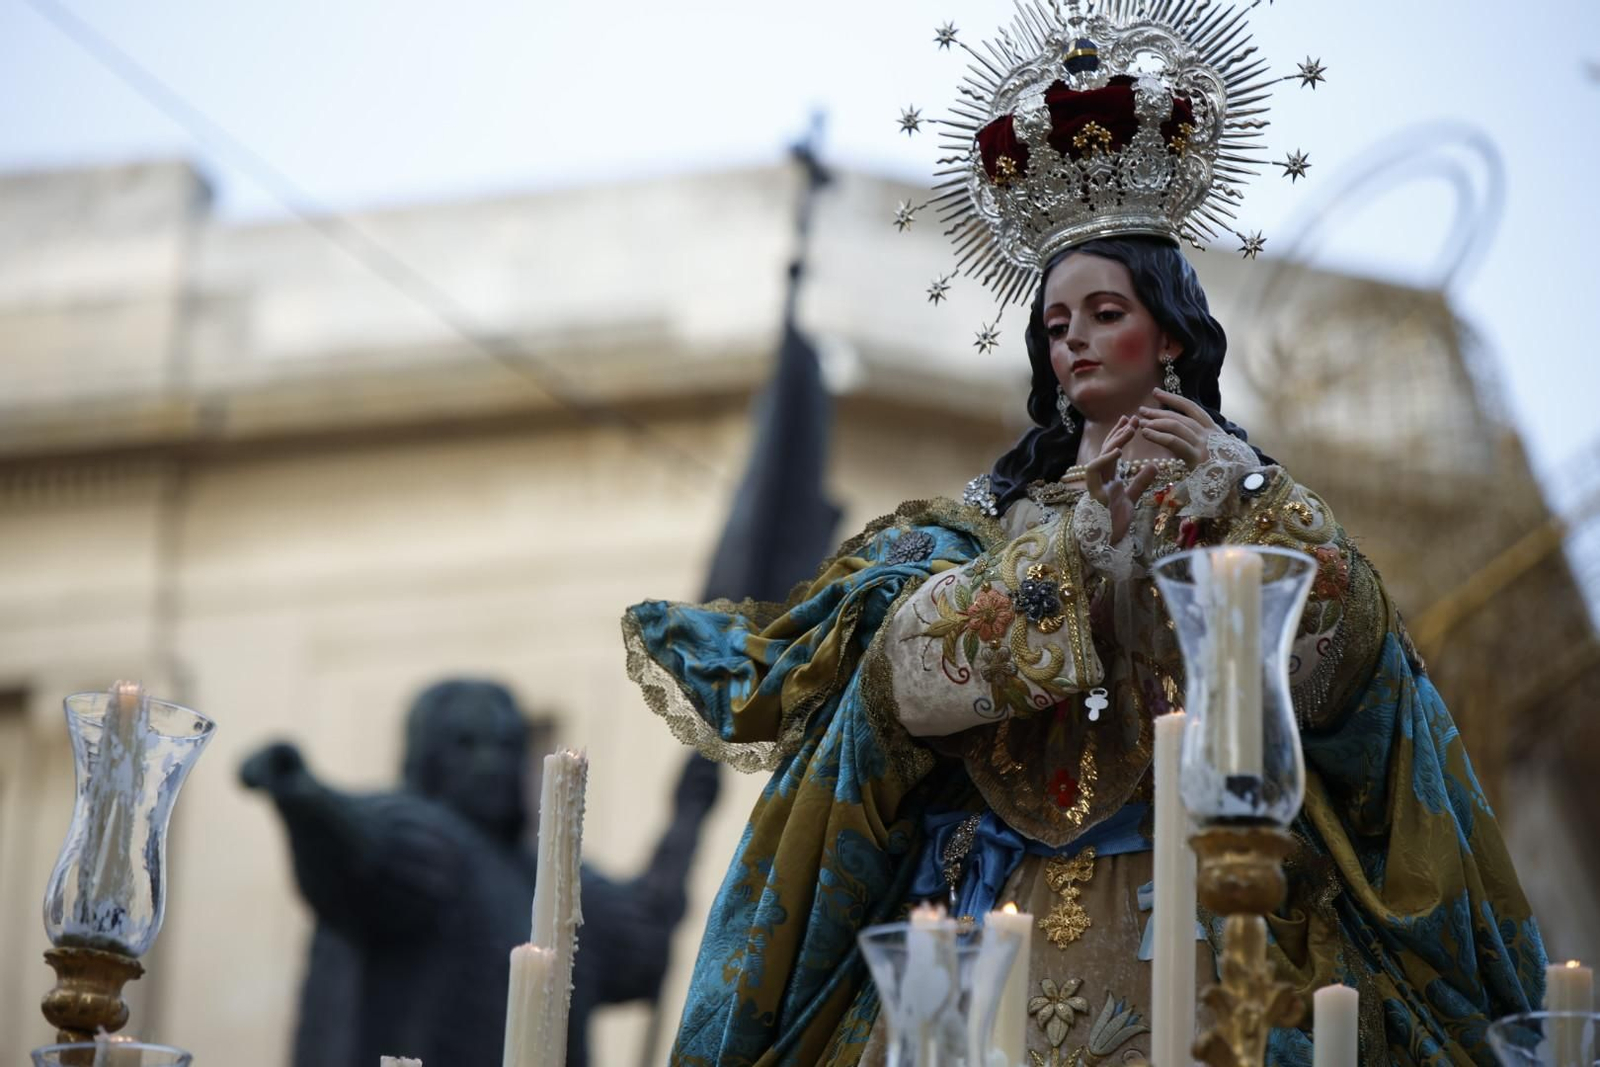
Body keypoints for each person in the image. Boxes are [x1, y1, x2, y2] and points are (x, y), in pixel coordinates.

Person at [621, 5, 1546, 1065]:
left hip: (1228, 938)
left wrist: (1235, 505)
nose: (1074, 345)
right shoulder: (979, 525)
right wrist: (1082, 547)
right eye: (1055, 327)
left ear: (1169, 329)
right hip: (990, 946)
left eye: (1103, 313)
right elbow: (899, 684)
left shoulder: (1256, 504)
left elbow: (1352, 689)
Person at [241, 678, 719, 1067]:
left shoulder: (556, 881)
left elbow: (641, 944)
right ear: (426, 757)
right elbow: (365, 849)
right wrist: (302, 794)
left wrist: (687, 819)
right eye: (465, 744)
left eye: (507, 744)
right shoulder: (427, 838)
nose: (490, 761)